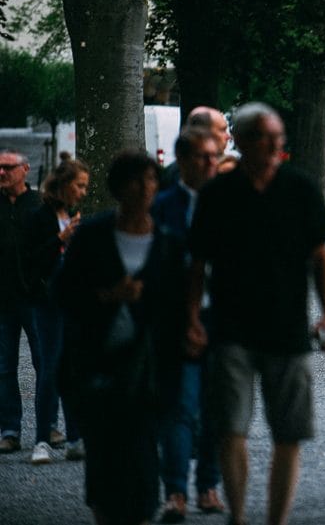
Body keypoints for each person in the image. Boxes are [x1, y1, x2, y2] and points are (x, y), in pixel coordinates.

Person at [185, 103, 325, 525]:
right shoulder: (219, 193)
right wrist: (192, 318)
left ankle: (277, 519)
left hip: (287, 327)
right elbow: (197, 263)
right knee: (230, 428)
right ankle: (237, 516)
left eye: (278, 137)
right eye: (264, 137)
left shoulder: (299, 188)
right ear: (241, 141)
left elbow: (321, 257)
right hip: (230, 327)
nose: (274, 145)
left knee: (289, 433)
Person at [55, 151, 188, 525]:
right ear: (118, 187)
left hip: (148, 368)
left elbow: (176, 308)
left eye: (150, 180)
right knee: (103, 457)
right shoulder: (93, 236)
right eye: (135, 181)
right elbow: (64, 292)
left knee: (144, 457)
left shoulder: (167, 244)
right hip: (96, 362)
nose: (144, 189)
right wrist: (107, 296)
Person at [150, 128, 226, 520]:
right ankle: (175, 490)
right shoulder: (163, 207)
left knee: (215, 409)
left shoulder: (231, 203)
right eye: (202, 157)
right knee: (180, 407)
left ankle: (209, 487)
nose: (211, 164)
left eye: (215, 156)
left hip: (222, 319)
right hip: (175, 319)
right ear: (182, 161)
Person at [25, 159, 90, 465]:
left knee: (73, 368)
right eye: (79, 185)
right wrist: (60, 240)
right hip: (47, 302)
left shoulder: (75, 214)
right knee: (50, 369)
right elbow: (33, 260)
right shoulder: (40, 217)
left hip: (72, 301)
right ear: (64, 185)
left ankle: (76, 437)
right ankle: (42, 438)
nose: (83, 192)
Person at [0, 148, 45, 456]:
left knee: (45, 363)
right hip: (3, 299)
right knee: (4, 367)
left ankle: (48, 426)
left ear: (25, 170)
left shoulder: (39, 204)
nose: (2, 173)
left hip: (35, 298)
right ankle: (10, 429)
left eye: (8, 168)